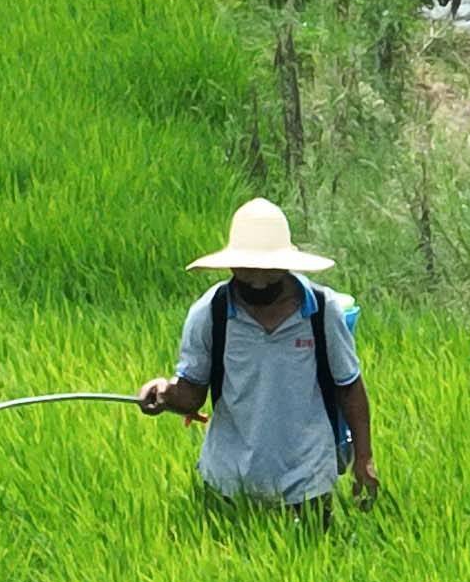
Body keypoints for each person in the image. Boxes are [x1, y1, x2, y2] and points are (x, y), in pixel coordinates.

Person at [138, 198, 376, 512]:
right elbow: (191, 394)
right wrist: (164, 394)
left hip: (308, 478)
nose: (259, 281)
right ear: (232, 264)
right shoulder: (211, 312)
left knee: (311, 556)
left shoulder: (321, 311)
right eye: (248, 270)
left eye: (269, 271)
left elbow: (349, 386)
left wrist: (363, 458)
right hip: (228, 479)